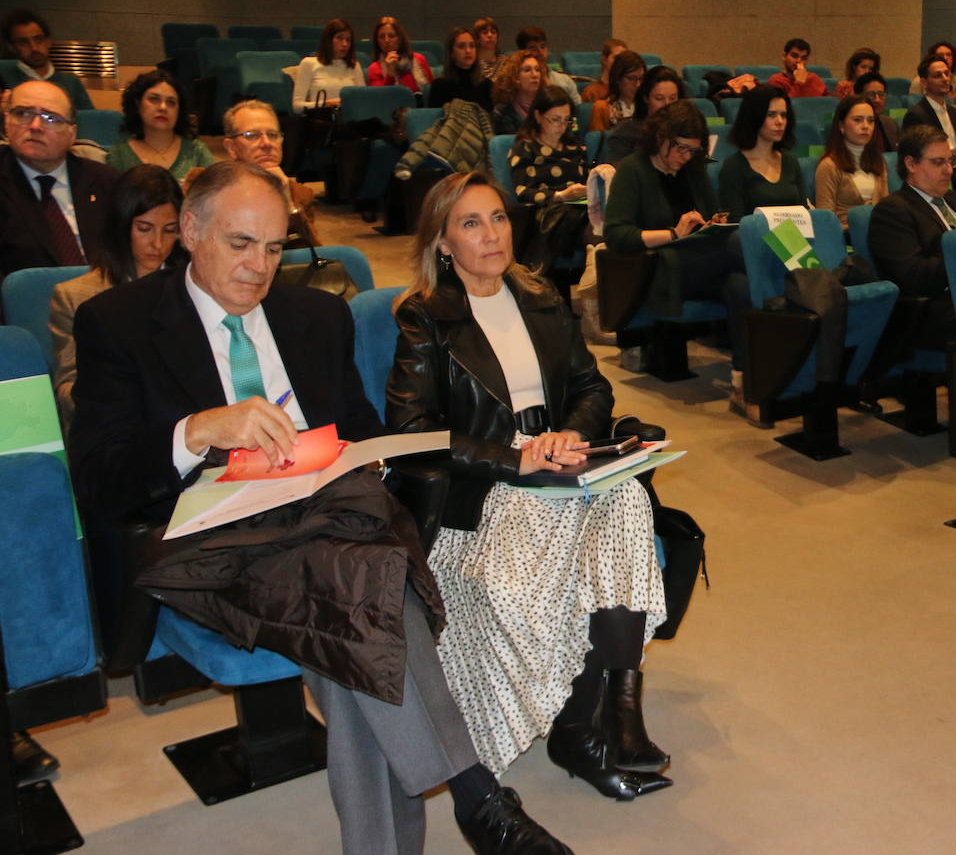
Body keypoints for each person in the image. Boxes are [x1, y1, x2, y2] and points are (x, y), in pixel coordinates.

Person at [66, 160, 571, 855]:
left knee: (349, 598)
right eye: (240, 244)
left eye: (274, 249)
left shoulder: (314, 315)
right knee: (368, 590)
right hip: (217, 534)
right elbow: (99, 479)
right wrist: (198, 430)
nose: (258, 268)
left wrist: (379, 456)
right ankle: (474, 790)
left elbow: (362, 429)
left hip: (334, 511)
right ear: (188, 230)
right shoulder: (116, 324)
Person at [386, 168, 672, 802]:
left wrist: (569, 435)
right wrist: (515, 460)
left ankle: (618, 713)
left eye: (498, 217)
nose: (491, 235)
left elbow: (594, 387)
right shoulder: (424, 316)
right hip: (485, 486)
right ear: (442, 243)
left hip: (560, 458)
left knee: (625, 497)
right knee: (586, 526)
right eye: (470, 223)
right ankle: (582, 731)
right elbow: (412, 431)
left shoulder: (540, 297)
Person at [603, 100, 750, 402]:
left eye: (693, 150)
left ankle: (744, 379)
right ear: (660, 139)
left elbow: (710, 220)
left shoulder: (694, 171)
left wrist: (713, 223)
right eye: (680, 148)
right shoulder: (633, 171)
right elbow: (617, 235)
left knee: (742, 284)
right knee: (741, 246)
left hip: (703, 263)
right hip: (658, 269)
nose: (686, 157)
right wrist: (673, 233)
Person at [49, 164, 185, 428]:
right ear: (121, 226)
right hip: (120, 430)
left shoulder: (192, 285)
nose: (158, 243)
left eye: (169, 230)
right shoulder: (74, 297)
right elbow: (67, 393)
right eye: (144, 228)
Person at [869, 125, 956, 348]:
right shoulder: (893, 211)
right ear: (911, 164)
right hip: (934, 311)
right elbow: (914, 278)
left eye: (951, 161)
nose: (948, 170)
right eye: (938, 162)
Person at [0, 80, 119, 278]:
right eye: (23, 114)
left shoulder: (107, 182)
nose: (35, 126)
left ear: (72, 133)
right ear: (6, 122)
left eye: (51, 118)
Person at [188, 100, 318, 244]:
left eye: (273, 135)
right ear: (231, 147)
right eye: (253, 135)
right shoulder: (203, 184)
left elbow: (311, 256)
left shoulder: (299, 194)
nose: (266, 143)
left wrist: (288, 206)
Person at [509, 87, 590, 268]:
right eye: (555, 120)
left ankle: (599, 272)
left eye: (566, 120)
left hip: (581, 209)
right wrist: (560, 196)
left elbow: (585, 180)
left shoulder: (573, 147)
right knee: (596, 226)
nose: (561, 127)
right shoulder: (525, 148)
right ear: (538, 116)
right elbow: (523, 192)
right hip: (549, 215)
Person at [105, 70, 216, 182]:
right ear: (138, 104)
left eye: (171, 102)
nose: (163, 107)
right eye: (154, 99)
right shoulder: (119, 156)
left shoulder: (196, 151)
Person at [718, 86, 804, 221]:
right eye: (771, 115)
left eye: (783, 115)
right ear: (754, 117)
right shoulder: (734, 166)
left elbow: (804, 213)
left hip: (796, 239)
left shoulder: (791, 162)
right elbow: (735, 223)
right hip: (754, 240)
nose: (780, 121)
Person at [815, 95, 887, 229]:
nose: (865, 126)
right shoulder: (829, 166)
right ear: (841, 126)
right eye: (857, 120)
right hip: (845, 237)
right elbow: (825, 221)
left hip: (878, 233)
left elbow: (886, 208)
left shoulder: (879, 162)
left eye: (871, 121)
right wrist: (860, 219)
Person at [0, 9, 93, 110]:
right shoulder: (4, 77)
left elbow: (90, 120)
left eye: (38, 39)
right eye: (23, 42)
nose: (34, 48)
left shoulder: (70, 82)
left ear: (48, 41)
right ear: (12, 47)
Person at [602, 65, 684, 165]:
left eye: (672, 98)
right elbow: (616, 172)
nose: (667, 104)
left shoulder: (686, 129)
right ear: (646, 98)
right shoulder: (626, 130)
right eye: (659, 98)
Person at [291, 18, 365, 114]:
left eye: (348, 40)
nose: (345, 44)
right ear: (329, 40)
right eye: (339, 38)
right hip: (322, 120)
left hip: (350, 120)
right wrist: (326, 104)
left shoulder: (354, 66)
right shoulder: (309, 63)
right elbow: (297, 106)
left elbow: (362, 101)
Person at [902, 54, 956, 146]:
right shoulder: (915, 116)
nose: (945, 79)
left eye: (947, 74)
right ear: (924, 83)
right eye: (938, 75)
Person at [429, 25, 494, 111]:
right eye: (461, 46)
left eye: (472, 46)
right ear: (451, 53)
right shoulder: (439, 86)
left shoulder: (486, 85)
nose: (468, 51)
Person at [367, 16, 433, 95]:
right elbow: (379, 98)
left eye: (391, 36)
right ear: (377, 41)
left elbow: (432, 91)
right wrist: (390, 74)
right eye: (382, 37)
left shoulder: (419, 59)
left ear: (400, 38)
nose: (386, 40)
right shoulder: (374, 68)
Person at [515, 26, 579, 101]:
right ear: (522, 52)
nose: (540, 52)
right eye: (533, 48)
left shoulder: (565, 80)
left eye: (543, 46)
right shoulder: (518, 82)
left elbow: (578, 110)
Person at [588, 50, 645, 131]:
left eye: (641, 79)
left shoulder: (648, 106)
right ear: (618, 78)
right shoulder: (602, 108)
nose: (638, 84)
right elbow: (598, 141)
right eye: (632, 78)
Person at [491, 50, 544, 135]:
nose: (535, 75)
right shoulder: (502, 112)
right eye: (527, 70)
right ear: (515, 77)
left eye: (537, 70)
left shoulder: (549, 106)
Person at [856, 73, 901, 152]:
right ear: (859, 96)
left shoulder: (891, 124)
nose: (877, 100)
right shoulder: (853, 126)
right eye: (871, 94)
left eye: (881, 94)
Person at [580, 37, 627, 102]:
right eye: (616, 58)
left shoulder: (629, 90)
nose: (620, 62)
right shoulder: (590, 92)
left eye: (624, 58)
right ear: (604, 59)